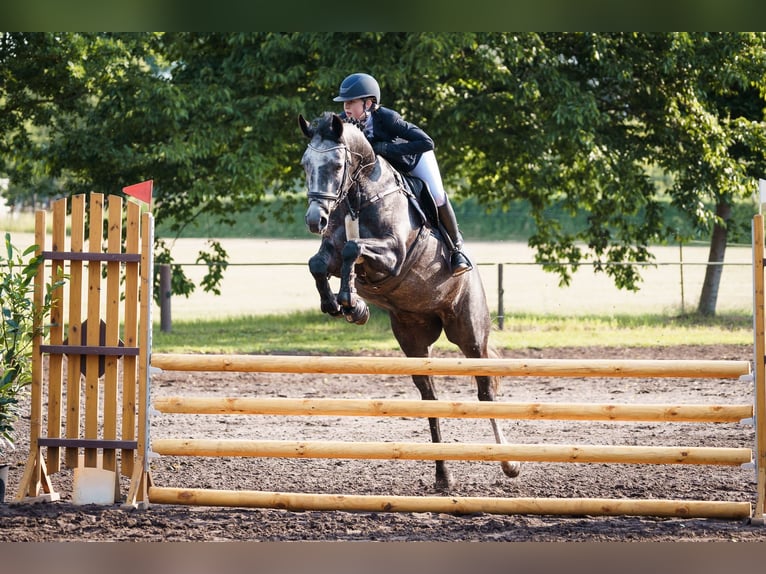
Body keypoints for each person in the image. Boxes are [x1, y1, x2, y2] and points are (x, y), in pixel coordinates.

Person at [333, 72, 472, 277]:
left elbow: (426, 142)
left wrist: (385, 148)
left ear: (369, 103)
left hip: (414, 160)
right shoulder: (345, 123)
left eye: (351, 102)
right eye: (344, 102)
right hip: (384, 171)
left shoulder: (388, 118)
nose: (346, 107)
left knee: (438, 195)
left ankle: (456, 250)